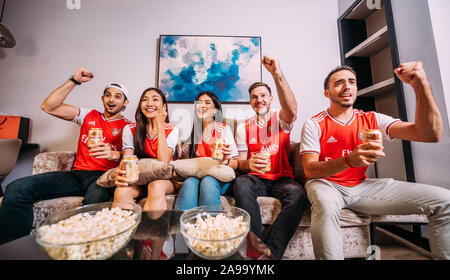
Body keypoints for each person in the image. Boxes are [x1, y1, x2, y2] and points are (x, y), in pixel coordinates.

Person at [300, 62, 450, 260]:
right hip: (326, 184)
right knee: (325, 204)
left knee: (444, 201)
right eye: (339, 83)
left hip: (362, 187)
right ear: (327, 93)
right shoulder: (315, 123)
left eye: (351, 82)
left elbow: (429, 134)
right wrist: (349, 160)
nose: (347, 86)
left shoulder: (372, 119)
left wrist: (420, 85)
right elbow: (310, 171)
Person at [0, 68, 131, 245]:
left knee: (91, 207)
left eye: (118, 96)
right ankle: (14, 250)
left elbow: (136, 156)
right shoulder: (88, 116)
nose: (112, 99)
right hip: (76, 175)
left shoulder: (129, 126)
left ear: (125, 103)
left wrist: (115, 154)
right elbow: (48, 106)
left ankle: (85, 252)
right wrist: (74, 81)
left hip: (104, 178)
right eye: (108, 95)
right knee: (17, 188)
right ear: (102, 99)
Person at [233, 55, 309, 260]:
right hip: (255, 178)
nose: (259, 100)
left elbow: (292, 110)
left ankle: (269, 257)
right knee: (241, 183)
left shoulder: (280, 118)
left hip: (282, 178)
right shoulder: (243, 127)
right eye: (255, 97)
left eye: (263, 96)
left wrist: (276, 73)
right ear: (250, 101)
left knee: (298, 196)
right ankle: (254, 250)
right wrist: (247, 163)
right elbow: (239, 163)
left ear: (271, 99)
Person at [113, 87, 179, 211]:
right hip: (139, 180)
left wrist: (160, 124)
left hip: (164, 181)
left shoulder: (172, 129)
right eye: (145, 100)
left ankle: (152, 230)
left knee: (156, 186)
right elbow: (127, 159)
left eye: (155, 99)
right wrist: (121, 172)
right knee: (121, 191)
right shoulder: (130, 129)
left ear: (164, 106)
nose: (149, 104)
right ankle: (123, 229)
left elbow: (163, 161)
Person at [173, 91, 238, 210]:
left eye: (207, 103)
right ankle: (182, 225)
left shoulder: (223, 130)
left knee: (207, 181)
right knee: (190, 182)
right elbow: (184, 162)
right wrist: (177, 137)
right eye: (199, 103)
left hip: (219, 180)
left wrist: (225, 160)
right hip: (198, 178)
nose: (202, 106)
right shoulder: (194, 135)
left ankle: (210, 225)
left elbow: (235, 164)